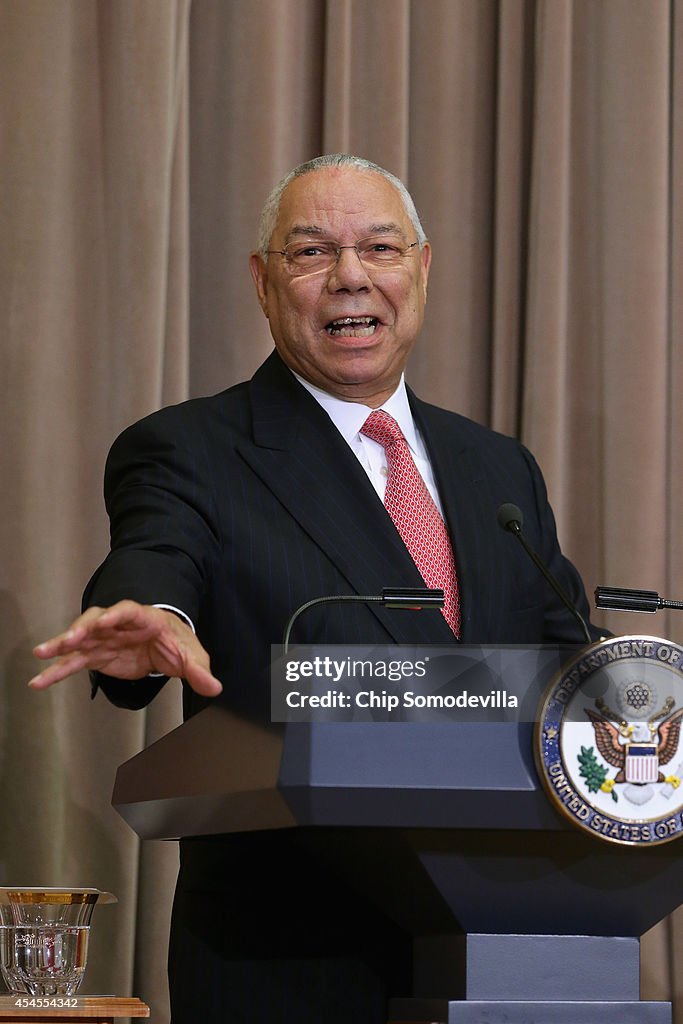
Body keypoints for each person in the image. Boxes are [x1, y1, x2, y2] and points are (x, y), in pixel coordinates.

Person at [30, 154, 601, 1023]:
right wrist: (155, 616)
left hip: (506, 946)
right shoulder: (193, 449)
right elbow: (158, 557)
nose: (349, 277)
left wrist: (635, 711)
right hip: (289, 959)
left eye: (379, 247)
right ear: (263, 284)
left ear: (421, 268)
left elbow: (568, 660)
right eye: (310, 253)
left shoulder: (497, 467)